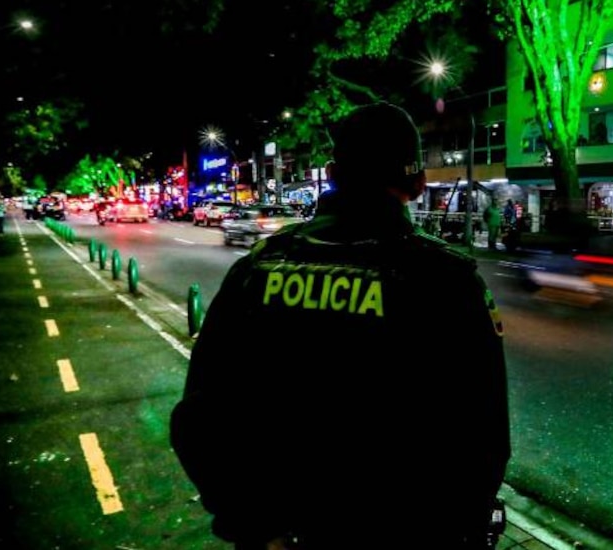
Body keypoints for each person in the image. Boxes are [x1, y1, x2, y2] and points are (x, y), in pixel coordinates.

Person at [170, 102, 511, 550]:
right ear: (416, 181)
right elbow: (482, 441)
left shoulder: (259, 269)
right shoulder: (445, 281)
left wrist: (253, 526)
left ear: (331, 174)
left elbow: (199, 418)